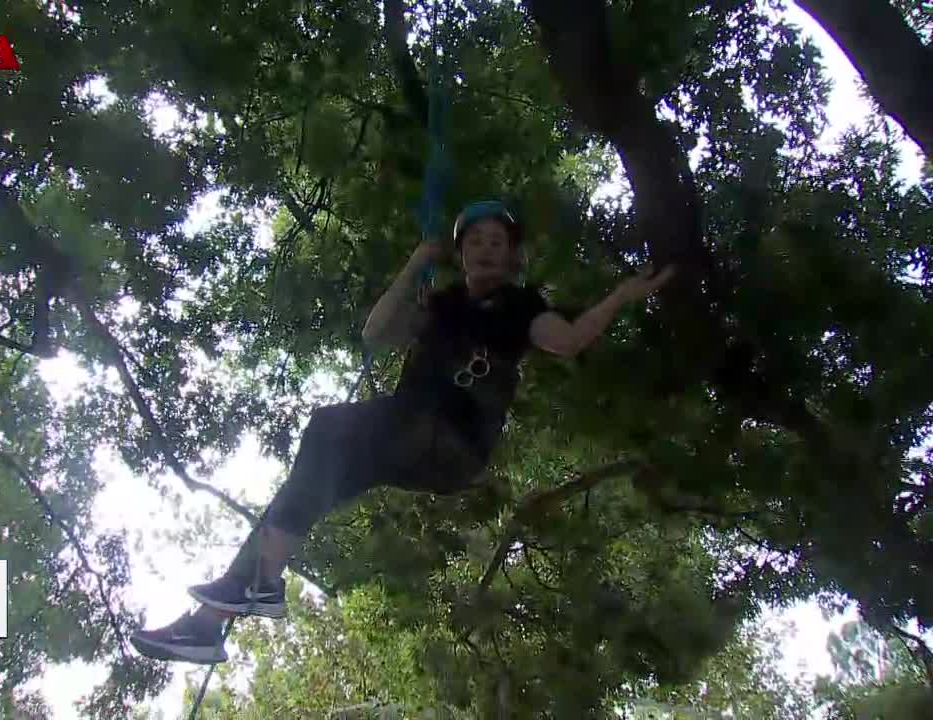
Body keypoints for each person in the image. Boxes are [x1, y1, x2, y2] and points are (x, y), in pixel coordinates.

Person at [131, 200, 675, 664]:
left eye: (496, 242)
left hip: (453, 442)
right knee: (300, 496)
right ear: (461, 256)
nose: (486, 249)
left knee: (327, 426)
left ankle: (260, 587)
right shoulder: (440, 306)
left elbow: (572, 338)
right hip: (405, 437)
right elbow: (376, 330)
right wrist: (417, 260)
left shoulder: (522, 308)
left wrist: (623, 295)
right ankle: (207, 624)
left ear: (512, 256)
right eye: (475, 243)